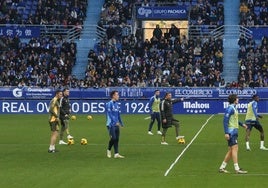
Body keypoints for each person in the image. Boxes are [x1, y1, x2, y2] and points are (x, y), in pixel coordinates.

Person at [219, 94, 248, 174]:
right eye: (237, 98)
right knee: (235, 148)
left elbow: (235, 120)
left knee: (231, 151)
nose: (238, 99)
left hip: (233, 131)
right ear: (234, 100)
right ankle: (237, 169)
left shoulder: (234, 108)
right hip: (231, 132)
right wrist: (226, 133)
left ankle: (222, 167)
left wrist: (242, 125)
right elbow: (225, 121)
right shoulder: (230, 109)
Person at [106, 90, 125, 158]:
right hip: (111, 124)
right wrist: (115, 121)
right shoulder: (109, 104)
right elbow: (110, 114)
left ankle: (116, 153)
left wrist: (121, 123)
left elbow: (118, 114)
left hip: (116, 124)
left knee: (117, 139)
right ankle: (108, 149)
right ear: (113, 96)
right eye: (117, 95)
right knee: (113, 138)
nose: (118, 96)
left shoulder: (117, 104)